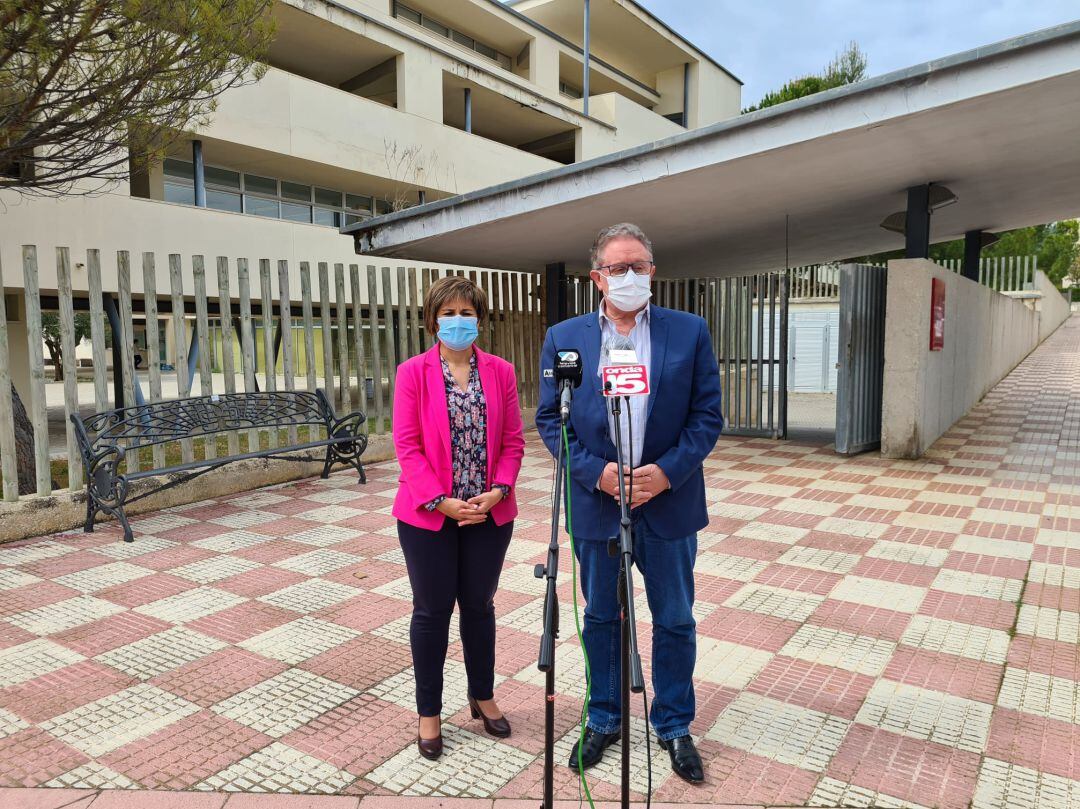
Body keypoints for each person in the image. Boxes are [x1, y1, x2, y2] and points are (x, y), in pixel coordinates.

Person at [536, 223, 723, 784]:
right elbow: (552, 420)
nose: (629, 276)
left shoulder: (688, 332)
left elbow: (707, 417)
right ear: (597, 277)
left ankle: (673, 724)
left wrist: (664, 475)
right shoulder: (565, 337)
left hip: (668, 503)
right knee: (600, 617)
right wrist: (598, 475)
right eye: (617, 268)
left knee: (674, 618)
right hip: (598, 505)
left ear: (652, 272)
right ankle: (605, 717)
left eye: (638, 265)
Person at [393, 274, 526, 760]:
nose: (457, 321)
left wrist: (497, 492)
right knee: (431, 613)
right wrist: (440, 501)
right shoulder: (413, 373)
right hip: (429, 517)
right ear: (432, 321)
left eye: (465, 312)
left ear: (480, 319)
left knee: (479, 607)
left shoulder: (501, 372)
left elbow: (513, 441)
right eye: (447, 313)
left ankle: (482, 694)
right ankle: (429, 712)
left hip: (489, 514)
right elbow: (406, 447)